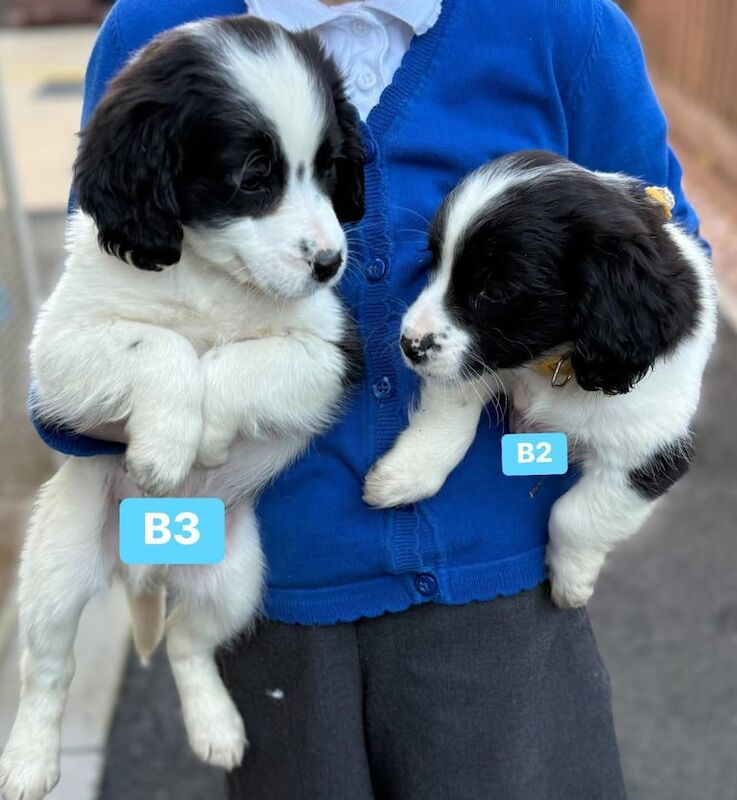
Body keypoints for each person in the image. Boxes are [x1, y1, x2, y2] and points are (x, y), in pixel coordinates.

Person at [35, 1, 704, 797]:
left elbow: (660, 272)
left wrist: (571, 398)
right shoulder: (159, 28)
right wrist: (147, 418)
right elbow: (101, 293)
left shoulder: (562, 26)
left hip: (500, 600)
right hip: (270, 601)